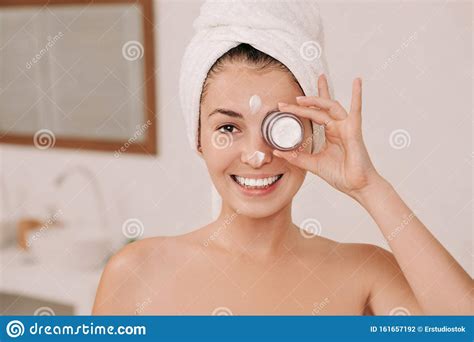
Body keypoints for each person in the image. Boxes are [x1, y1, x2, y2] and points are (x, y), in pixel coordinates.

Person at [92, 1, 472, 316]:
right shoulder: (136, 272)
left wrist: (369, 186)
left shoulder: (365, 275)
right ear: (198, 138)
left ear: (313, 132)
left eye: (280, 126)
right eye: (228, 128)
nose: (256, 155)